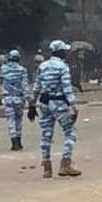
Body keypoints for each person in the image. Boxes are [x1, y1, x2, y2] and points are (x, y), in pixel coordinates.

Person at [28, 40, 81, 178]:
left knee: (46, 134)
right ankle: (65, 164)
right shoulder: (63, 67)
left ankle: (47, 167)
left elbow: (36, 87)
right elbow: (67, 89)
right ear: (61, 52)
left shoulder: (43, 66)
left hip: (44, 103)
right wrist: (74, 106)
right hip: (59, 103)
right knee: (70, 132)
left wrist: (32, 104)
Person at [0, 49, 29, 151]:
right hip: (19, 98)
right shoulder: (22, 70)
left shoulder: (3, 69)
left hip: (7, 98)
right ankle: (19, 141)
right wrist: (28, 99)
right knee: (18, 120)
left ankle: (14, 141)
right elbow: (24, 86)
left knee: (10, 120)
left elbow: (2, 79)